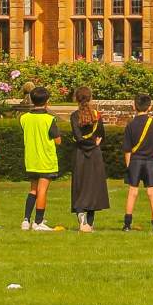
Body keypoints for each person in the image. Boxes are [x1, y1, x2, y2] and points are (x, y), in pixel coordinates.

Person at [120, 94, 153, 232]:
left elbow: (127, 149)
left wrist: (128, 166)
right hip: (151, 161)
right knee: (152, 193)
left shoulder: (131, 125)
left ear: (134, 106)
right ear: (150, 107)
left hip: (135, 161)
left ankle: (127, 223)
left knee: (132, 192)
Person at [19, 87, 60, 232]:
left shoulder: (24, 118)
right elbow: (57, 140)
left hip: (31, 160)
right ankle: (38, 222)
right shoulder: (49, 119)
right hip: (46, 161)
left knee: (33, 190)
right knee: (42, 191)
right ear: (47, 101)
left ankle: (26, 220)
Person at [67, 88, 109, 231]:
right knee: (93, 187)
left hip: (80, 153)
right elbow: (101, 135)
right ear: (91, 98)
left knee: (80, 186)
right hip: (95, 154)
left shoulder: (74, 116)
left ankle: (81, 216)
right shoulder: (97, 116)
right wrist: (94, 145)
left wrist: (87, 144)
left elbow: (78, 137)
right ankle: (90, 223)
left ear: (76, 99)